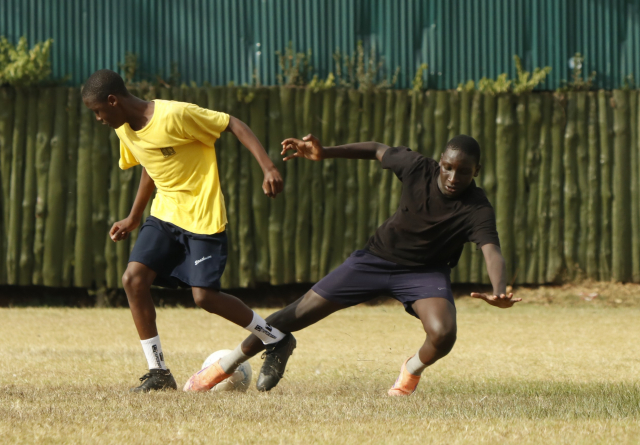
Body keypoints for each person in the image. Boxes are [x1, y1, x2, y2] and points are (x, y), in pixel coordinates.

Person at [206, 133, 521, 396]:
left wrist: (499, 290)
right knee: (295, 314)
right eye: (448, 167)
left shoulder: (477, 208)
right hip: (375, 259)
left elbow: (491, 250)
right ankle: (225, 365)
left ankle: (410, 372)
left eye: (463, 171)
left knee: (444, 334)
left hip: (425, 273)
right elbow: (375, 149)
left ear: (476, 171)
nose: (453, 177)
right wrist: (325, 152)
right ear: (440, 161)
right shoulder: (417, 167)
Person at [82, 69, 289, 393]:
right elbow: (151, 164)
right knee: (133, 279)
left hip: (203, 215)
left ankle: (275, 338)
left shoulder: (175, 115)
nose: (98, 119)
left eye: (97, 111)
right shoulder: (123, 129)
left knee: (204, 297)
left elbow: (233, 123)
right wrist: (134, 217)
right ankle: (159, 372)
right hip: (165, 214)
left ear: (112, 101)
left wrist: (269, 167)